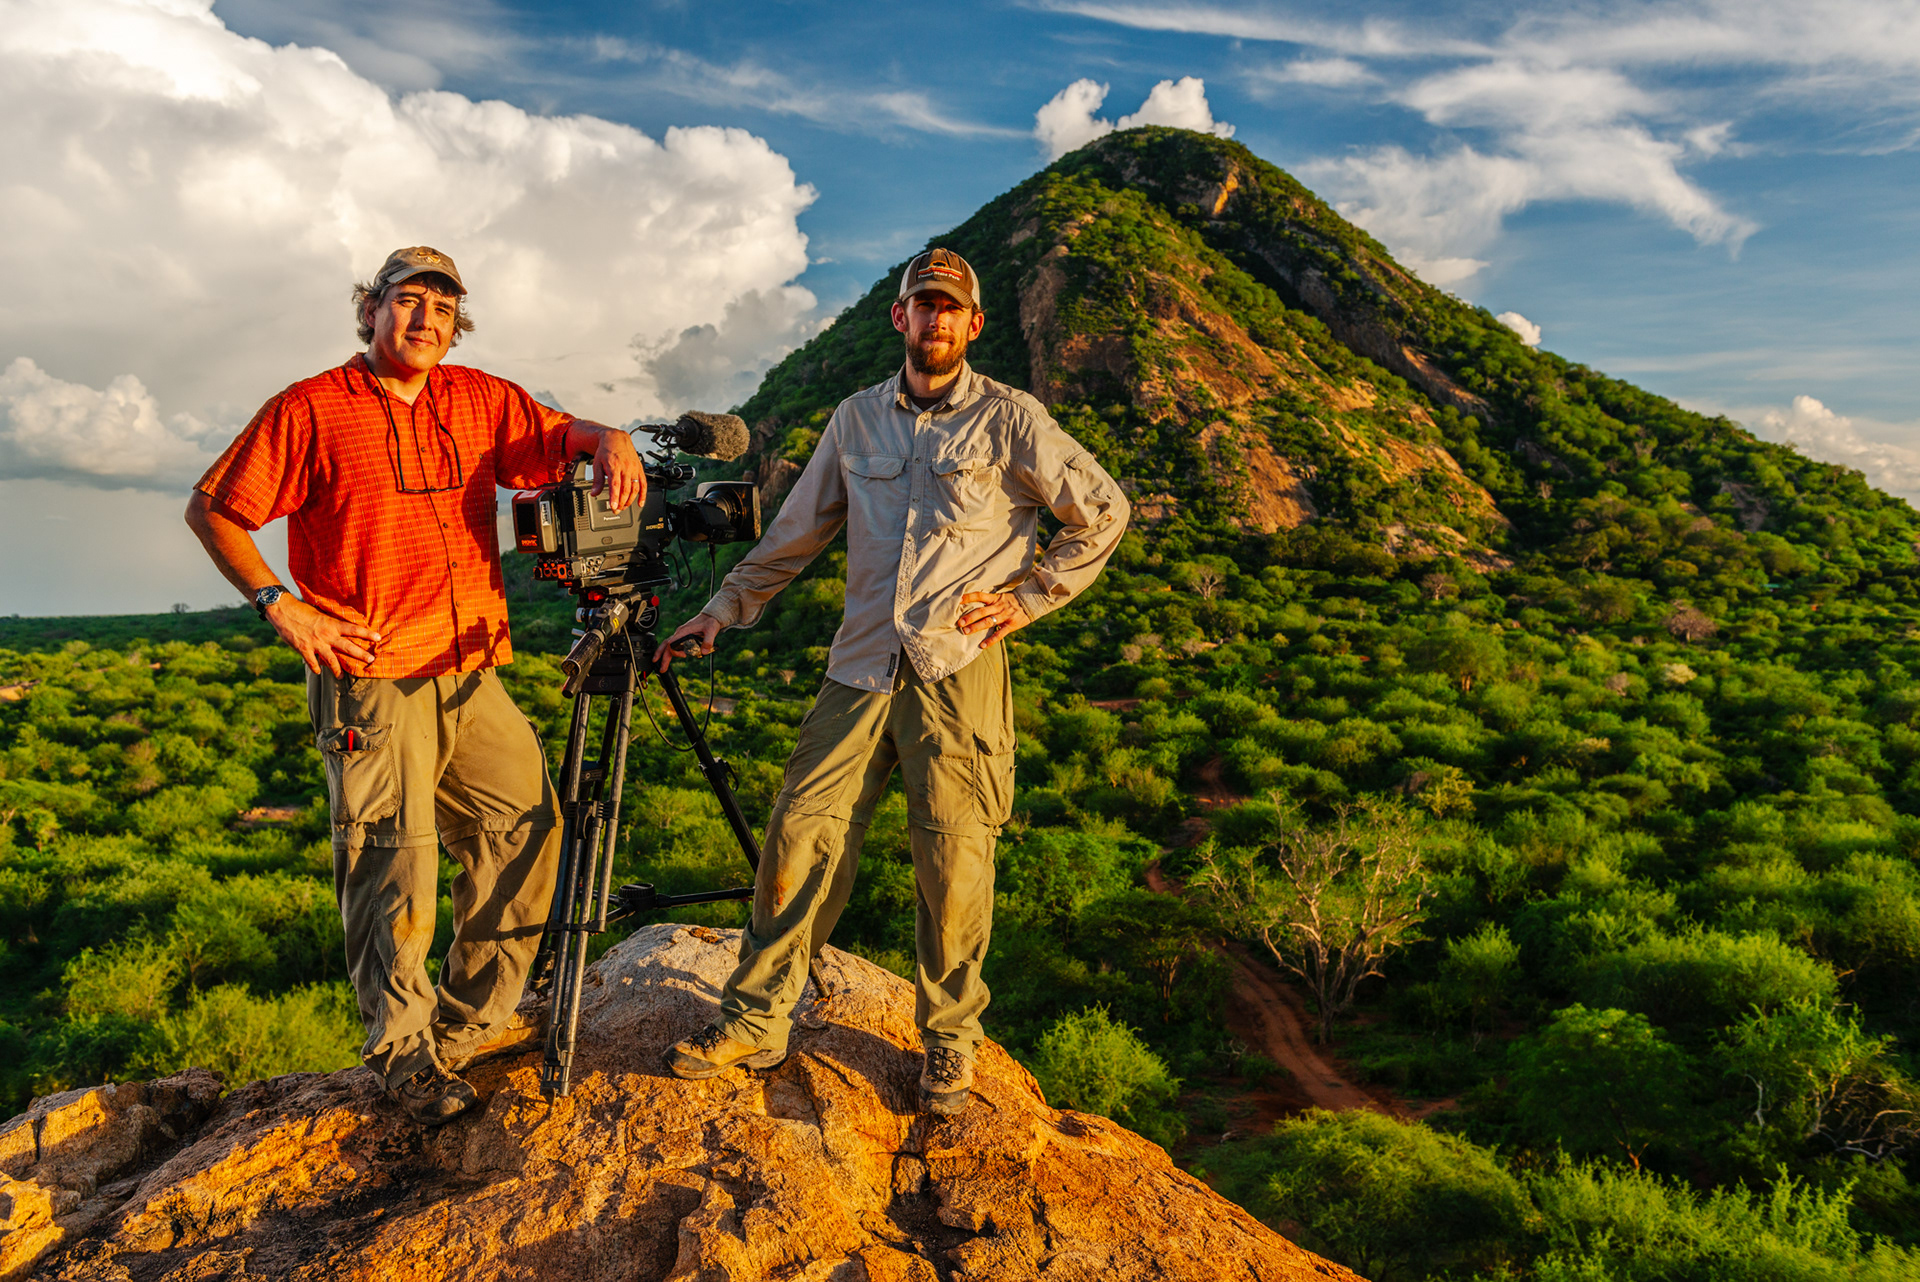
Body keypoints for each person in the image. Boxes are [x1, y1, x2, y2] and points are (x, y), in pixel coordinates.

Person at [657, 247, 1129, 1115]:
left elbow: (1103, 512)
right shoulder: (856, 419)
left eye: (952, 307)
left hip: (959, 670)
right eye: (924, 304)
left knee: (953, 858)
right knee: (799, 833)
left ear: (974, 323)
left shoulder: (1010, 420)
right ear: (899, 318)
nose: (937, 319)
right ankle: (758, 1021)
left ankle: (949, 1043)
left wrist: (1027, 599)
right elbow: (797, 533)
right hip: (860, 664)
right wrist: (723, 609)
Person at [184, 246, 644, 1125]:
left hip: (471, 666)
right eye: (407, 300)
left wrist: (609, 437)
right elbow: (216, 508)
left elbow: (560, 437)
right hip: (372, 676)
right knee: (395, 862)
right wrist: (283, 605)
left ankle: (474, 1021)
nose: (425, 317)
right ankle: (400, 1050)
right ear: (370, 311)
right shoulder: (311, 407)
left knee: (526, 827)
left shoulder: (478, 399)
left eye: (442, 305)